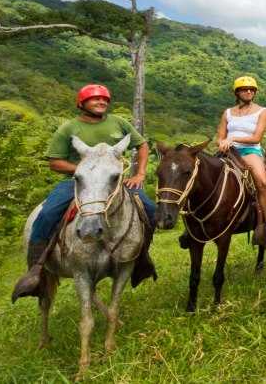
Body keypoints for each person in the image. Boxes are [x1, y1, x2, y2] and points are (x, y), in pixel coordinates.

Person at [12, 84, 157, 301]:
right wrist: (85, 171)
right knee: (47, 215)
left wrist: (140, 174)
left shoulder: (118, 122)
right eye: (95, 99)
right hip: (78, 182)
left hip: (114, 182)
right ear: (82, 104)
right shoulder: (69, 128)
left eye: (105, 100)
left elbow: (142, 145)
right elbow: (55, 162)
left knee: (151, 211)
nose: (102, 103)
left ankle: (141, 258)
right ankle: (37, 271)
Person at [217, 76, 266, 248]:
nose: (248, 91)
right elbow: (219, 137)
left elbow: (256, 137)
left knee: (263, 182)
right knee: (201, 173)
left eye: (252, 89)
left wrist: (232, 138)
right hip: (227, 151)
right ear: (237, 92)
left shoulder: (262, 111)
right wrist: (222, 142)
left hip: (249, 150)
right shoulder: (228, 112)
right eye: (244, 89)